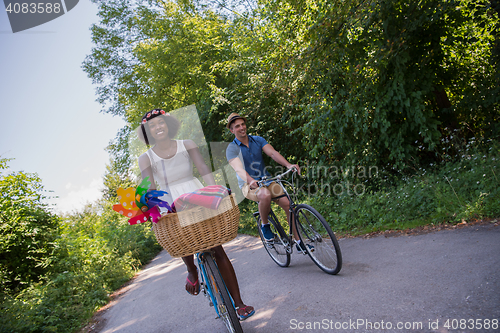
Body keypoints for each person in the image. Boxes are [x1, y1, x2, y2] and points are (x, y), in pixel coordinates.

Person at [137, 109, 254, 320]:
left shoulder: (187, 144)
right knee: (181, 239)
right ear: (148, 132)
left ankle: (239, 303)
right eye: (152, 126)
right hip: (168, 198)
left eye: (161, 122)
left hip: (195, 192)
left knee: (216, 246)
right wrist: (154, 207)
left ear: (168, 124)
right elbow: (149, 186)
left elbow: (202, 168)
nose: (158, 127)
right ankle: (192, 270)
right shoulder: (146, 157)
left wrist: (215, 191)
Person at [225, 113, 313, 253]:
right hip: (248, 185)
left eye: (243, 124)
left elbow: (272, 153)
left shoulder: (257, 140)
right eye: (237, 126)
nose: (242, 127)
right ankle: (265, 226)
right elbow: (238, 169)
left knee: (289, 205)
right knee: (264, 195)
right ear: (232, 130)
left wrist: (288, 164)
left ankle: (299, 242)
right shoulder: (232, 148)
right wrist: (251, 180)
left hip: (267, 180)